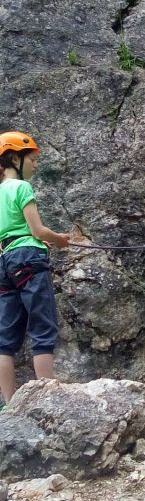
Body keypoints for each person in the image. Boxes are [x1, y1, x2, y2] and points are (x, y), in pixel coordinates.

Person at [0, 131, 70, 404]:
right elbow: (37, 230)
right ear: (15, 159)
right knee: (42, 326)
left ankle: (9, 405)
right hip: (29, 258)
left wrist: (31, 241)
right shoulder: (21, 187)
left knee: (5, 337)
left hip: (5, 261)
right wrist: (59, 239)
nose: (36, 165)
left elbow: (12, 234)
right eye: (32, 159)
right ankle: (47, 401)